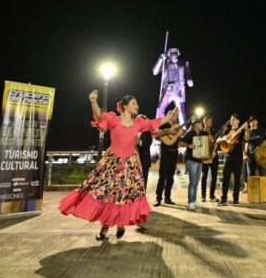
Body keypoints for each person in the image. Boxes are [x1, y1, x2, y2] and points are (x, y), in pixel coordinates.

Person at [59, 91, 178, 241]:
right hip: (112, 164)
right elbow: (99, 117)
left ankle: (120, 224)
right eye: (134, 103)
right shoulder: (113, 119)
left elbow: (156, 122)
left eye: (137, 103)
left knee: (124, 195)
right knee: (108, 195)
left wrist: (171, 115)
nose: (137, 106)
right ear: (125, 106)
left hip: (130, 166)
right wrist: (93, 102)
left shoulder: (139, 122)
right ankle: (104, 227)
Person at [152, 47, 193, 125]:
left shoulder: (184, 63)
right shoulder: (165, 63)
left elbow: (188, 72)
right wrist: (160, 59)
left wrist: (189, 79)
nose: (174, 55)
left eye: (175, 53)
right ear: (168, 55)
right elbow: (155, 72)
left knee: (181, 110)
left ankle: (183, 129)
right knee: (160, 108)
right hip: (167, 90)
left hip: (179, 90)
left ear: (178, 54)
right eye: (172, 53)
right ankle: (157, 126)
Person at [216, 114, 247, 206]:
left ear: (238, 121)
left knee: (237, 179)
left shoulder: (242, 131)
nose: (231, 121)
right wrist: (225, 138)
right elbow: (218, 140)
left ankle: (236, 199)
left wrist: (247, 129)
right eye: (231, 119)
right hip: (228, 156)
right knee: (225, 178)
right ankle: (224, 198)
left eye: (233, 119)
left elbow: (246, 139)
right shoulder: (228, 130)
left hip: (238, 157)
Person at [154, 121, 182, 206]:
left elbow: (180, 139)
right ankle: (158, 198)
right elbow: (156, 136)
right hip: (165, 152)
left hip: (174, 153)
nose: (175, 116)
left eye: (176, 115)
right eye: (173, 115)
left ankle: (167, 197)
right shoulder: (163, 125)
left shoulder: (178, 126)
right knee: (162, 176)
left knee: (170, 177)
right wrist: (168, 131)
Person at [181, 118, 207, 210]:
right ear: (195, 125)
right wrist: (188, 146)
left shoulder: (201, 134)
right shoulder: (190, 134)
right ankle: (190, 202)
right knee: (192, 182)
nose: (202, 125)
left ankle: (194, 201)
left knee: (196, 182)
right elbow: (180, 142)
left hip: (199, 160)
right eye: (200, 124)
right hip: (191, 160)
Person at [200, 115, 219, 202]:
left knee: (214, 176)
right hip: (205, 155)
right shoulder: (201, 132)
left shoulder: (214, 131)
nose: (210, 123)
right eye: (208, 121)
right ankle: (203, 195)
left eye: (211, 121)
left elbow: (217, 142)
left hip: (214, 155)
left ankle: (212, 195)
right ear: (204, 122)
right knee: (204, 176)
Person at [136, 114, 153, 191]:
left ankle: (142, 198)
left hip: (144, 160)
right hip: (133, 161)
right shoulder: (133, 130)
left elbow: (148, 143)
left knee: (143, 181)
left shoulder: (147, 132)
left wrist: (139, 141)